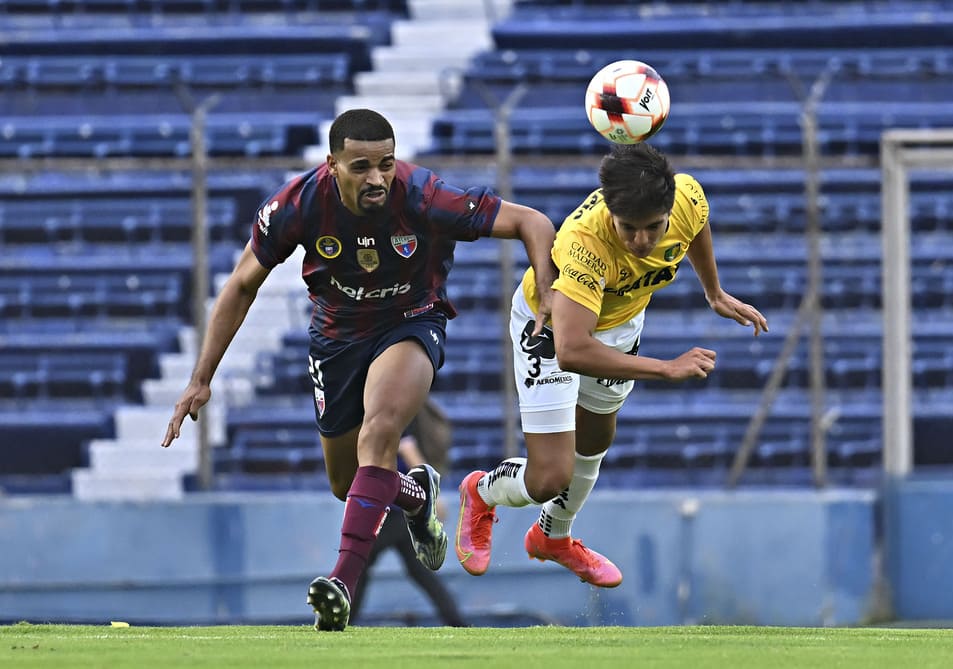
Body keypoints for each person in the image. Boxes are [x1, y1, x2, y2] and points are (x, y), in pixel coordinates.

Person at [161, 108, 558, 631]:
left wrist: (547, 290)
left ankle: (342, 585)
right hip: (337, 339)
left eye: (386, 164)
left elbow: (532, 221)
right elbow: (239, 285)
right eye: (362, 167)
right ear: (332, 164)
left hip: (411, 321)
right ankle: (414, 497)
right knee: (345, 482)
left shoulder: (422, 195)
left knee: (380, 433)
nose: (377, 178)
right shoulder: (296, 205)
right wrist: (201, 378)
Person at [454, 142, 768, 587]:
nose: (642, 242)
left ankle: (553, 536)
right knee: (549, 478)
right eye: (629, 229)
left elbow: (696, 225)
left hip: (619, 323)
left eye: (654, 227)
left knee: (597, 434)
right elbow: (572, 349)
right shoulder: (583, 243)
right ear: (610, 213)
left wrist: (713, 292)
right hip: (552, 330)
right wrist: (666, 368)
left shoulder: (687, 196)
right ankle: (481, 491)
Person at [351, 399, 467, 627]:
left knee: (357, 563)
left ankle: (343, 620)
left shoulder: (397, 413)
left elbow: (407, 449)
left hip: (392, 512)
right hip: (402, 511)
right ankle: (457, 622)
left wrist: (432, 498)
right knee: (419, 572)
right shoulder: (407, 410)